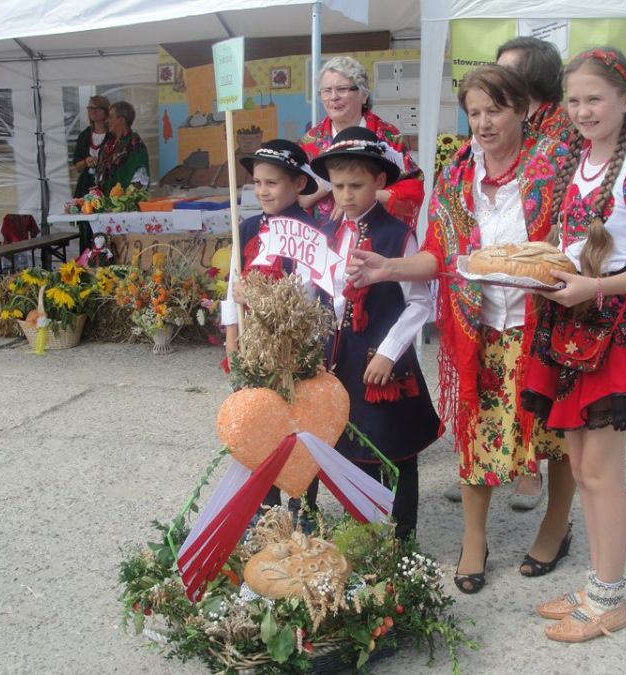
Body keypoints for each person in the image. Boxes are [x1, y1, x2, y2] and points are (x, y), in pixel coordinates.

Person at [347, 65, 571, 592]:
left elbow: (591, 230)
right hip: (480, 330)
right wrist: (387, 268)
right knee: (476, 435)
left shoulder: (555, 167)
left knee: (556, 436)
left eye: (495, 110)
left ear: (522, 110)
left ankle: (556, 525)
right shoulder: (456, 175)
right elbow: (439, 255)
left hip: (546, 326)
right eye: (475, 112)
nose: (484, 122)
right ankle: (475, 539)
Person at [521, 47, 626, 642]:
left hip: (615, 331)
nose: (583, 110)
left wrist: (595, 285)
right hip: (570, 325)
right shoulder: (575, 164)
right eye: (575, 99)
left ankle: (609, 599)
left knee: (604, 472)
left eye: (595, 98)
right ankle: (594, 584)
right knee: (582, 466)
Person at [308, 126, 441, 540]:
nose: (345, 196)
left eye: (356, 185)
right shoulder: (328, 232)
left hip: (384, 358)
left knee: (394, 444)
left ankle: (402, 537)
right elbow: (319, 287)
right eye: (339, 186)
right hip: (340, 357)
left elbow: (421, 301)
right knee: (351, 444)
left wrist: (388, 352)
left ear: (380, 182)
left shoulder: (397, 234)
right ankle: (363, 530)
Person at [218, 139, 323, 513]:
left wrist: (258, 299)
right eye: (257, 182)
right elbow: (232, 289)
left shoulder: (310, 233)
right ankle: (266, 510)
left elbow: (306, 298)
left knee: (296, 430)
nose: (262, 190)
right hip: (253, 348)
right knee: (258, 428)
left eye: (272, 183)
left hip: (292, 349)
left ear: (297, 185)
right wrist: (232, 340)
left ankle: (302, 509)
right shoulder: (246, 228)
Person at [299, 56, 424, 227]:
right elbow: (297, 195)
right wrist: (325, 186)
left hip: (378, 233)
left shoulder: (386, 136)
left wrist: (370, 197)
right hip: (322, 239)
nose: (333, 97)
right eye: (326, 91)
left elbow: (413, 187)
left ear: (364, 95)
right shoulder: (310, 141)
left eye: (342, 89)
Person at [71, 95, 111, 253]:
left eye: (96, 108)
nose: (92, 112)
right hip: (86, 187)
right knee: (85, 228)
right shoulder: (84, 136)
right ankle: (86, 259)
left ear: (105, 111)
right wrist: (86, 162)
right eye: (90, 108)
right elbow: (77, 165)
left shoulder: (111, 136)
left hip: (106, 187)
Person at [95, 101, 150, 196]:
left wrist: (124, 201)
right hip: (106, 204)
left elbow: (140, 180)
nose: (107, 121)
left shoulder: (134, 145)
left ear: (121, 120)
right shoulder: (108, 144)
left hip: (125, 207)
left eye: (111, 117)